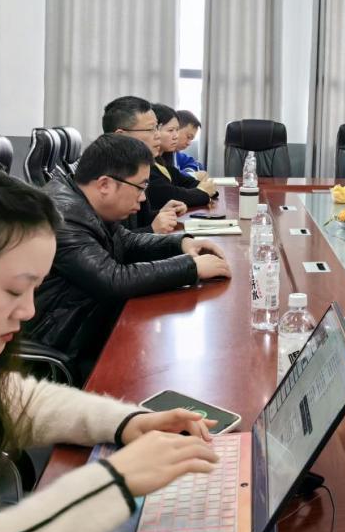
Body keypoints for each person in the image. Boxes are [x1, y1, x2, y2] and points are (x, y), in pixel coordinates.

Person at [0, 162, 219, 532]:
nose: (29, 311)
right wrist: (112, 484)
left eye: (34, 289)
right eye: (13, 290)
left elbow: (11, 397)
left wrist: (128, 422)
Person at [27, 134, 231, 378]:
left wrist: (181, 243)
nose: (143, 197)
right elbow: (113, 279)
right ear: (105, 185)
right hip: (65, 344)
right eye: (140, 187)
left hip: (91, 322)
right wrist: (191, 267)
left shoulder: (84, 201)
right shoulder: (63, 216)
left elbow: (126, 241)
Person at [102, 95, 185, 234]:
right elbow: (112, 241)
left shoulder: (136, 167)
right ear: (121, 135)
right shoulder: (108, 177)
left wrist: (162, 213)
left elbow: (139, 221)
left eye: (157, 127)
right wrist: (152, 230)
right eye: (151, 129)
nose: (158, 135)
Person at [147, 104, 215, 210]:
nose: (176, 136)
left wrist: (205, 188)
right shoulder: (144, 163)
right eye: (171, 130)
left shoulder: (162, 159)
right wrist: (202, 192)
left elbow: (181, 181)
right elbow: (167, 194)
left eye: (177, 130)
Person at [174, 110, 206, 178]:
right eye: (188, 137)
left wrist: (189, 171)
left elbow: (196, 164)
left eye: (191, 139)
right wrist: (190, 175)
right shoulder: (160, 155)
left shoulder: (175, 154)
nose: (189, 143)